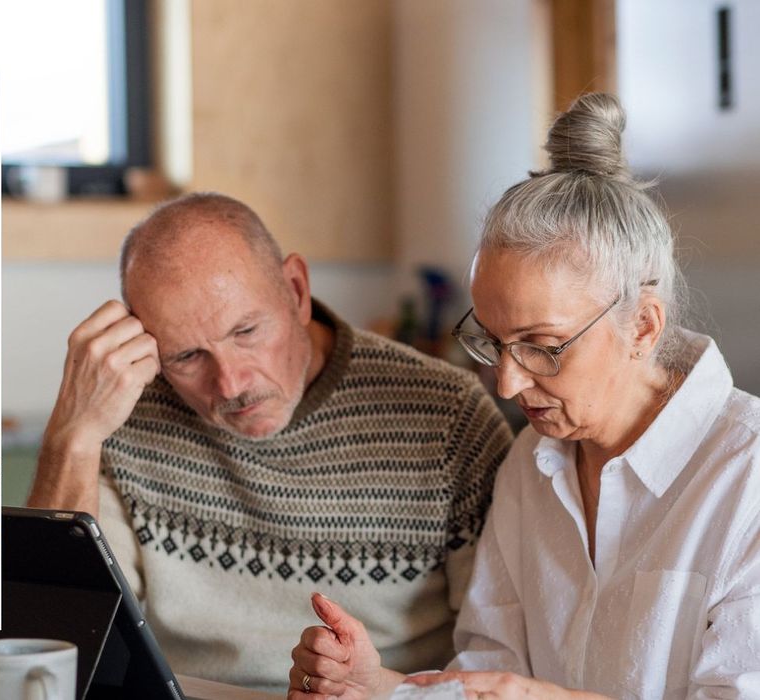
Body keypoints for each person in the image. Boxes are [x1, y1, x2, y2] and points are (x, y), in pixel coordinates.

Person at [287, 93, 760, 699]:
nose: (508, 384)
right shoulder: (530, 466)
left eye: (542, 345)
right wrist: (378, 687)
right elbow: (491, 677)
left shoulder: (743, 477)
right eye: (492, 340)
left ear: (643, 326)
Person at [29, 192, 513, 692]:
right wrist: (73, 435)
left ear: (297, 290)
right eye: (188, 356)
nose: (231, 384)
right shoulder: (125, 410)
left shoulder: (448, 415)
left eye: (246, 331)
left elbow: (502, 658)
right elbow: (57, 636)